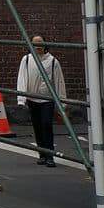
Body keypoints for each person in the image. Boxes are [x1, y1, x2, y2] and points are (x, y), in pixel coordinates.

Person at [16, 36, 67, 166]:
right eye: (35, 44)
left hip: (47, 100)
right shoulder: (27, 59)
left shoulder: (53, 61)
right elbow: (22, 78)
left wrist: (62, 103)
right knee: (37, 127)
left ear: (45, 45)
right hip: (32, 99)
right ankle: (42, 154)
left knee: (46, 125)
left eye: (40, 43)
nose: (37, 46)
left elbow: (59, 82)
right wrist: (21, 99)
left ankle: (50, 155)